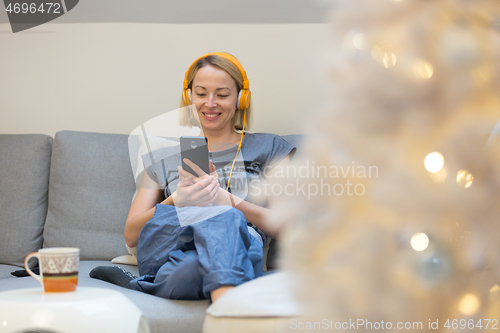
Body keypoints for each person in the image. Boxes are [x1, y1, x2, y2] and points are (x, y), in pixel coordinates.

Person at [91, 52, 295, 302]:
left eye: (222, 94)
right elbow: (131, 234)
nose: (210, 103)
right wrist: (176, 200)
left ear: (240, 99)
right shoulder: (162, 158)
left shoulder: (270, 147)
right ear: (189, 97)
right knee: (215, 224)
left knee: (216, 230)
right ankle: (228, 307)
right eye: (201, 94)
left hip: (235, 247)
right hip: (171, 243)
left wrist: (226, 200)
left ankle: (146, 285)